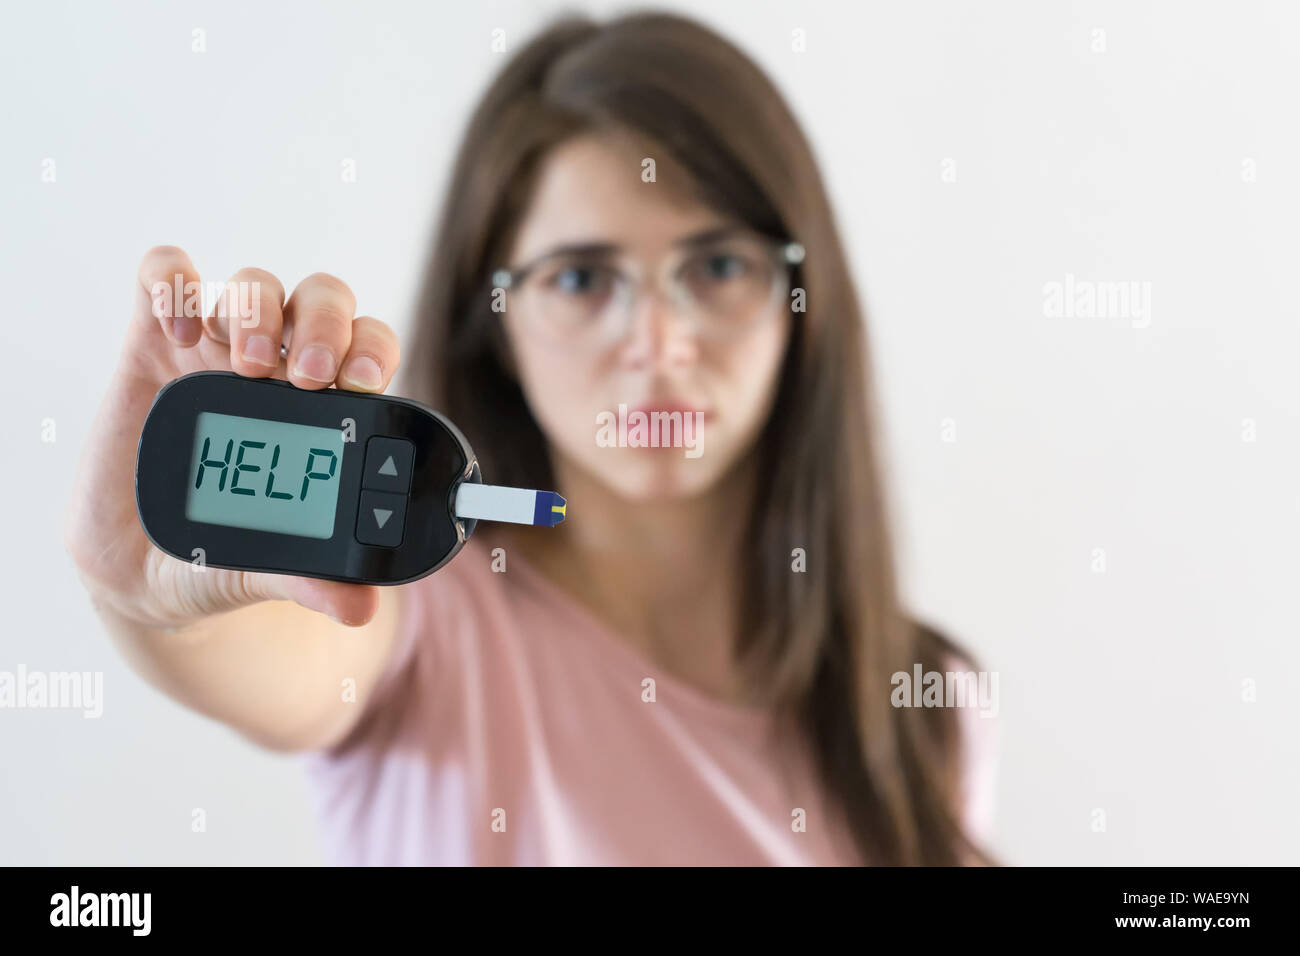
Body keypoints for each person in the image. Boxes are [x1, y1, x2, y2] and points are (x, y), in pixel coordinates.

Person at [67, 11, 996, 865]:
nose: (659, 346)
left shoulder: (926, 704)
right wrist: (146, 600)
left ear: (803, 302)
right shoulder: (421, 615)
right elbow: (271, 661)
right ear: (495, 323)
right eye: (584, 279)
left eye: (717, 265)